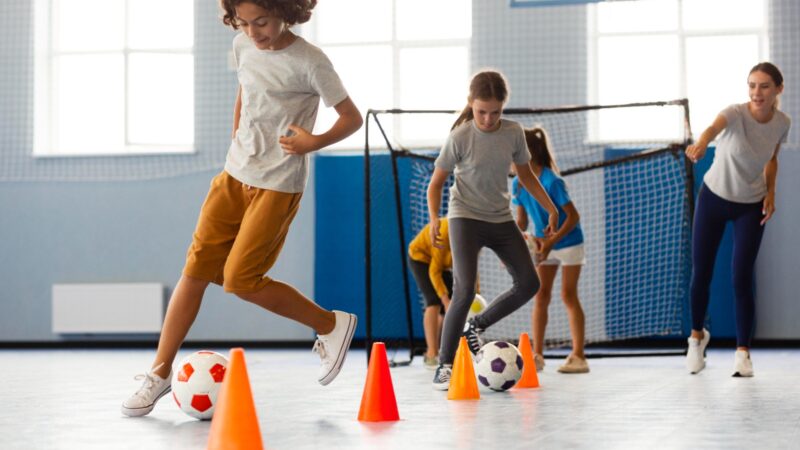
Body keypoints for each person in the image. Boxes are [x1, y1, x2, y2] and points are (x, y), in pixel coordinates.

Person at [121, 0, 363, 417]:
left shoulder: (311, 61)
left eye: (261, 22)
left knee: (240, 280)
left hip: (277, 185)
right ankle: (159, 373)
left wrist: (314, 142)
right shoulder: (243, 46)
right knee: (195, 271)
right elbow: (245, 92)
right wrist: (237, 138)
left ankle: (331, 324)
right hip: (233, 176)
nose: (253, 32)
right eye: (243, 23)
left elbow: (351, 117)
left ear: (284, 11)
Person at [427, 70, 559, 390]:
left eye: (495, 112)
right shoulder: (460, 137)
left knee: (529, 283)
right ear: (471, 104)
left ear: (503, 107)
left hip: (500, 218)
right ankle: (445, 364)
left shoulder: (513, 133)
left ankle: (476, 326)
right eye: (481, 111)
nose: (488, 119)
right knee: (464, 290)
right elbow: (436, 184)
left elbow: (526, 177)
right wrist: (433, 219)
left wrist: (551, 207)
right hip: (464, 218)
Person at [684, 62, 791, 377]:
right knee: (701, 272)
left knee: (741, 276)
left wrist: (771, 193)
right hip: (714, 198)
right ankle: (696, 338)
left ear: (778, 89)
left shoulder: (782, 123)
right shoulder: (734, 113)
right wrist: (701, 144)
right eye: (752, 85)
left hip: (750, 205)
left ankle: (743, 353)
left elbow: (772, 159)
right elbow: (711, 130)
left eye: (764, 86)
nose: (757, 92)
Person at [512, 127, 588, 374]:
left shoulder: (552, 181)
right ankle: (537, 355)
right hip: (544, 244)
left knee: (568, 295)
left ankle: (578, 356)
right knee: (541, 295)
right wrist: (511, 244)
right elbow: (522, 222)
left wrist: (551, 242)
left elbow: (573, 216)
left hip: (568, 242)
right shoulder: (517, 184)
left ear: (527, 154)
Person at [408, 219, 454, 369]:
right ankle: (431, 353)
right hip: (420, 257)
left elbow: (471, 270)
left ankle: (442, 349)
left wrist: (475, 294)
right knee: (434, 301)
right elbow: (434, 271)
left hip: (441, 264)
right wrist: (445, 301)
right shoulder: (444, 233)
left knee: (452, 304)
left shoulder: (472, 237)